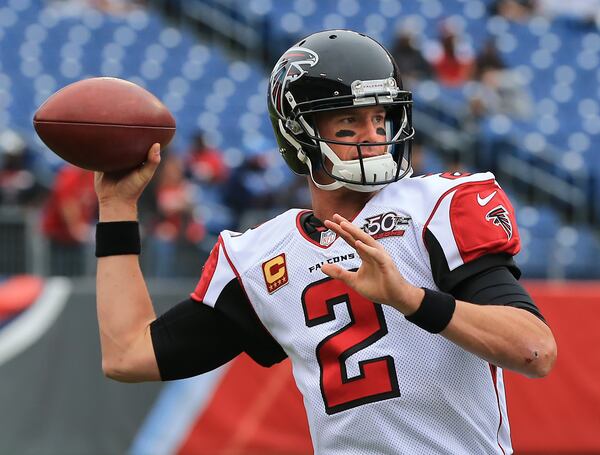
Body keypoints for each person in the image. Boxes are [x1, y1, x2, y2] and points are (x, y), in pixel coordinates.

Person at [94, 30, 556, 454]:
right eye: (349, 123)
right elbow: (129, 354)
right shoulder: (261, 256)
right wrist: (117, 207)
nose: (374, 137)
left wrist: (412, 300)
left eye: (381, 119)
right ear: (299, 134)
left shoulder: (436, 207)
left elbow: (534, 350)